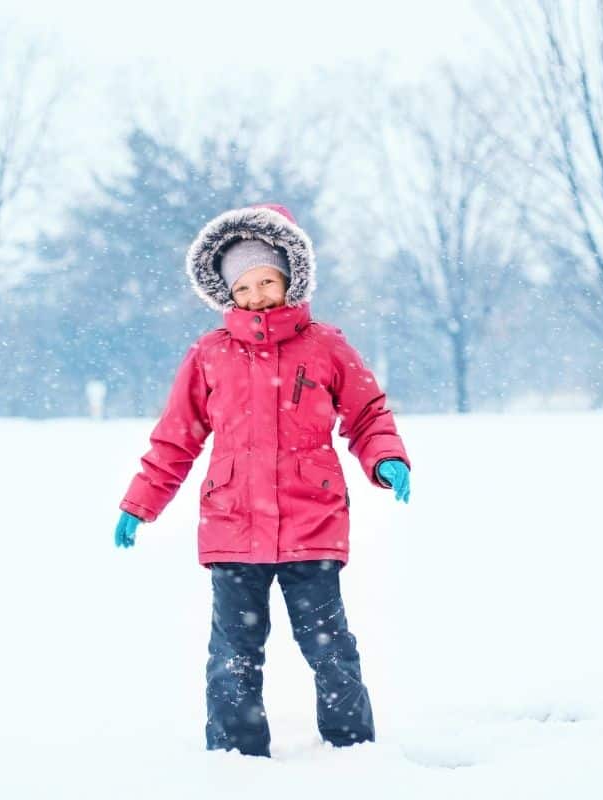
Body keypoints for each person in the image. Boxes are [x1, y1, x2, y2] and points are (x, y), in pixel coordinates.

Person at [114, 203, 412, 758]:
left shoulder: (326, 346)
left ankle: (354, 751)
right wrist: (140, 503)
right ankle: (235, 755)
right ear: (227, 291)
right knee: (233, 650)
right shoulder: (209, 355)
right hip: (232, 527)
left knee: (330, 647)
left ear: (290, 277)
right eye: (244, 286)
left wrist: (385, 458)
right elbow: (177, 437)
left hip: (312, 524)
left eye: (267, 281)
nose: (257, 296)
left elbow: (368, 412)